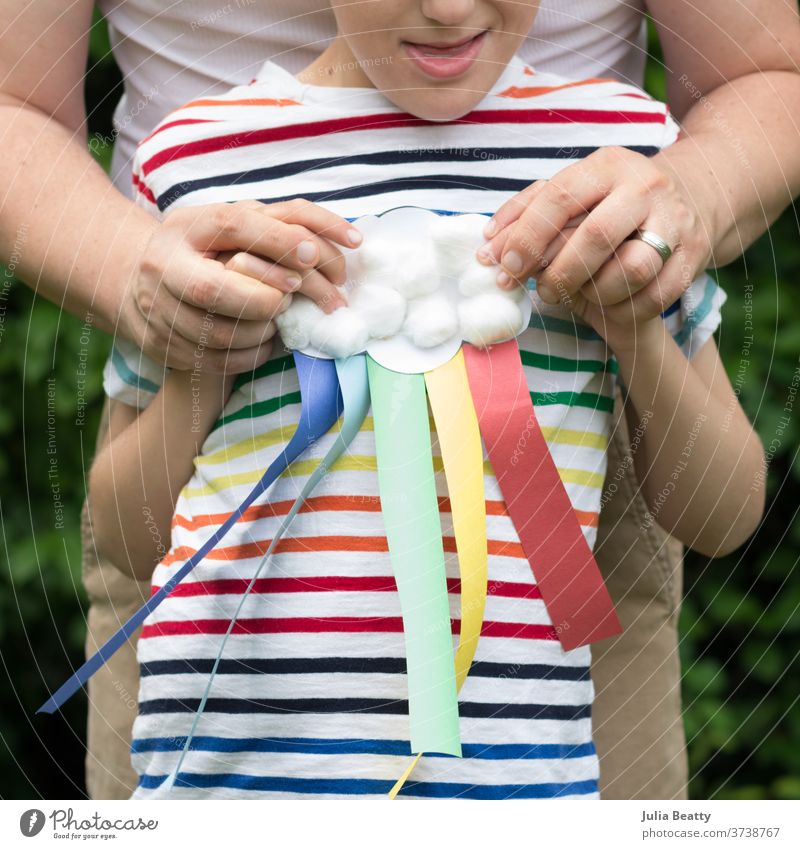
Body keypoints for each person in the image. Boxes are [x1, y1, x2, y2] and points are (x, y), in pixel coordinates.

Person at [2, 0, 798, 800]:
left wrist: (637, 328)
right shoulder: (200, 168)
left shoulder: (616, 174)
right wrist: (198, 366)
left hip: (518, 782)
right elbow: (130, 540)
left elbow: (723, 515)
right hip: (231, 782)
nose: (448, 8)